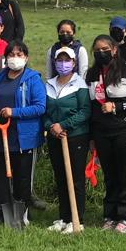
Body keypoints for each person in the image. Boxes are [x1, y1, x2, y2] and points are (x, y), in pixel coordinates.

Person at [86, 34, 126, 233]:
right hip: (102, 132)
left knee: (125, 174)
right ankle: (109, 215)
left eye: (105, 49)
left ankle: (124, 217)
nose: (100, 52)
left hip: (125, 129)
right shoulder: (91, 74)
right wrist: (92, 136)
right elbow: (91, 106)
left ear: (113, 50)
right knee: (109, 175)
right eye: (97, 49)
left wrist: (118, 106)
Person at [0, 41, 45, 228]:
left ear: (26, 58)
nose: (15, 58)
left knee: (22, 178)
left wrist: (15, 112)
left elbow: (39, 107)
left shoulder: (32, 78)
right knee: (0, 178)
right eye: (11, 54)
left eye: (19, 54)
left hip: (23, 138)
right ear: (5, 58)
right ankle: (1, 216)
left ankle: (22, 216)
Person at [43, 47, 90, 234]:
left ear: (74, 62)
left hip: (76, 136)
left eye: (67, 60)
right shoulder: (48, 84)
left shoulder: (80, 84)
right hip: (55, 137)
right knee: (60, 177)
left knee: (75, 178)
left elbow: (85, 111)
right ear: (55, 63)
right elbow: (44, 112)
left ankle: (77, 219)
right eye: (59, 60)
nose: (63, 63)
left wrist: (64, 125)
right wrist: (51, 127)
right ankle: (63, 218)